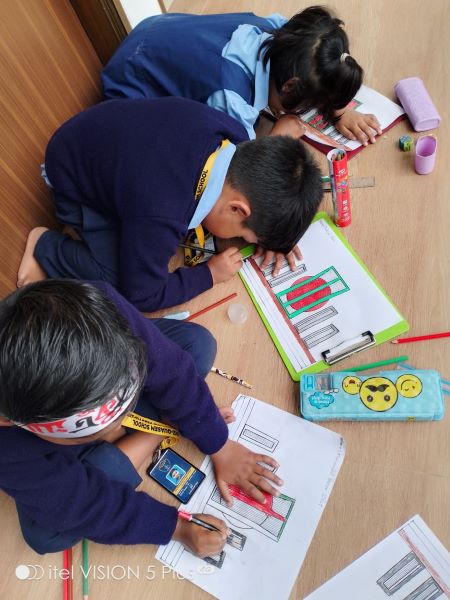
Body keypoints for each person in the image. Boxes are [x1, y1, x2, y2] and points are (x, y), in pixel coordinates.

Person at [0, 279, 283, 555]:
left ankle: (147, 424)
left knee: (197, 344)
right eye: (99, 429)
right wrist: (175, 528)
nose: (119, 425)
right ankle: (160, 425)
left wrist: (219, 444)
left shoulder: (97, 306)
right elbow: (81, 506)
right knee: (45, 534)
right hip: (40, 439)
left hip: (88, 379)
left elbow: (173, 369)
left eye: (122, 410)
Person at [17, 97, 323, 312]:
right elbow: (143, 294)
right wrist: (208, 275)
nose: (241, 241)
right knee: (117, 282)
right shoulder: (162, 211)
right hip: (72, 180)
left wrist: (275, 235)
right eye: (245, 236)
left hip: (102, 133)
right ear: (237, 209)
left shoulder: (236, 137)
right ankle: (46, 246)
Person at [101, 6, 381, 144]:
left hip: (155, 29)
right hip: (130, 82)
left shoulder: (278, 33)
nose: (309, 112)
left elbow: (319, 62)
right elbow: (239, 165)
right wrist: (275, 138)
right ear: (289, 86)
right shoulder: (232, 99)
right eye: (309, 106)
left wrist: (339, 110)